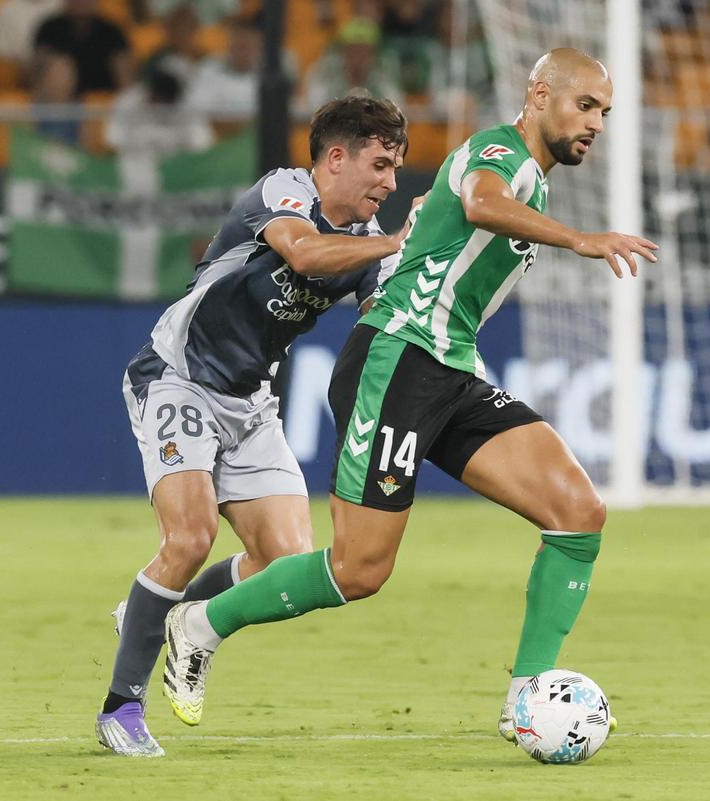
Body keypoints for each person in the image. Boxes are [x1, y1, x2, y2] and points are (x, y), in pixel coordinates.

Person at [160, 48, 657, 743]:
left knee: (577, 512)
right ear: (541, 95)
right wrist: (580, 240)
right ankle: (200, 622)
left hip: (451, 368)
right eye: (586, 105)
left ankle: (526, 698)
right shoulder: (499, 152)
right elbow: (482, 203)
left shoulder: (535, 182)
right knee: (359, 568)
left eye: (604, 111)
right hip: (396, 359)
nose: (597, 122)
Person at [95, 96, 412, 757]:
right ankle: (121, 709)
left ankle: (162, 616)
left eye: (395, 168)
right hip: (178, 376)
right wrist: (394, 242)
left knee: (285, 560)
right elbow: (303, 254)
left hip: (250, 402)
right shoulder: (284, 192)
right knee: (190, 536)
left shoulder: (372, 244)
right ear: (336, 158)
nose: (390, 182)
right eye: (380, 165)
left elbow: (381, 323)